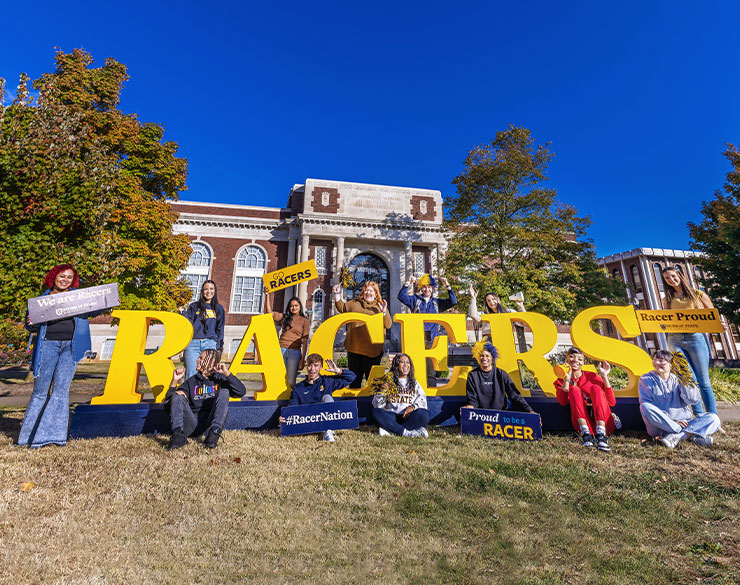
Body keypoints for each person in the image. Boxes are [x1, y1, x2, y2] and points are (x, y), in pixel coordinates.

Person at [18, 264, 105, 448]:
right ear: (53, 277)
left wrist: (109, 299)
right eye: (62, 276)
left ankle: (53, 437)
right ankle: (28, 437)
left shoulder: (78, 298)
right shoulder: (40, 301)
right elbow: (31, 327)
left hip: (71, 348)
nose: (65, 280)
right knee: (40, 393)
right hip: (47, 346)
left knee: (60, 392)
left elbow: (94, 307)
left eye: (69, 277)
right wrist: (31, 322)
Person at [661, 267, 717, 415]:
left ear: (679, 275)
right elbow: (666, 320)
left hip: (695, 339)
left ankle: (713, 418)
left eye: (673, 276)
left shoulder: (698, 295)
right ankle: (698, 415)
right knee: (687, 379)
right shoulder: (667, 299)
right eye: (667, 278)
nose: (671, 280)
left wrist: (720, 324)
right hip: (675, 339)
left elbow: (712, 316)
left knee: (704, 382)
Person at [164, 349, 246, 450]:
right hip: (191, 424)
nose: (197, 360)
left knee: (224, 392)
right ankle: (178, 436)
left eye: (201, 358)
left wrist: (227, 373)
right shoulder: (191, 382)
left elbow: (241, 392)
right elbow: (167, 407)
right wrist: (174, 381)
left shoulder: (220, 379)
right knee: (177, 396)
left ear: (211, 361)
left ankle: (214, 434)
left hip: (209, 425)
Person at [639, 349, 721, 448]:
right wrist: (673, 422)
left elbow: (693, 400)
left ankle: (679, 437)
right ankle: (691, 435)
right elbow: (648, 404)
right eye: (655, 359)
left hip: (685, 423)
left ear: (671, 364)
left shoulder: (679, 379)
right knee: (645, 407)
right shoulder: (645, 379)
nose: (656, 362)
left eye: (661, 360)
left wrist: (684, 380)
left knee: (714, 418)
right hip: (660, 426)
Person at [398, 274, 458, 387]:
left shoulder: (437, 302)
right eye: (424, 287)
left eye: (429, 287)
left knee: (430, 371)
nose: (427, 289)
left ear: (433, 288)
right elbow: (401, 297)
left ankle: (431, 394)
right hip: (417, 339)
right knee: (415, 369)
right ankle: (414, 392)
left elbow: (453, 301)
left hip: (432, 340)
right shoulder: (415, 300)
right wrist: (408, 283)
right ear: (421, 287)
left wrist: (447, 286)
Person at [280, 353, 356, 441]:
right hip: (308, 422)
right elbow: (292, 408)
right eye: (310, 365)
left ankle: (328, 432)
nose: (312, 369)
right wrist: (284, 417)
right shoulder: (298, 388)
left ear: (320, 367)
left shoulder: (327, 381)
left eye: (316, 366)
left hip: (325, 420)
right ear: (306, 366)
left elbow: (352, 377)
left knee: (327, 397)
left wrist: (338, 370)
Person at [554, 347, 616, 452]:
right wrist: (566, 381)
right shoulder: (561, 380)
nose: (575, 361)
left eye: (579, 359)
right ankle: (586, 434)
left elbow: (611, 402)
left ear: (583, 363)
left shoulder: (592, 376)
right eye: (572, 357)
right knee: (574, 389)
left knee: (596, 388)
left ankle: (601, 435)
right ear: (567, 360)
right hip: (582, 423)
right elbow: (563, 402)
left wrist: (604, 376)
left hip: (603, 422)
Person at [333, 280, 392, 388]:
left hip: (373, 350)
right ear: (363, 292)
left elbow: (388, 325)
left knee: (373, 383)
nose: (368, 292)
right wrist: (337, 294)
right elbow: (342, 307)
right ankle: (355, 403)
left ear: (376, 294)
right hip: (354, 348)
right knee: (354, 381)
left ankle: (373, 403)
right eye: (366, 290)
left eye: (372, 291)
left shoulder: (379, 307)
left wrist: (384, 312)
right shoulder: (355, 304)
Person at [462, 341, 536, 414]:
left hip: (501, 414)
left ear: (492, 358)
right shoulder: (472, 375)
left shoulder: (501, 374)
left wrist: (529, 410)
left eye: (487, 356)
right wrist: (470, 406)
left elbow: (514, 395)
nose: (484, 358)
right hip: (481, 415)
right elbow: (472, 398)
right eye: (481, 355)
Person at [371, 353, 430, 438]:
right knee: (376, 412)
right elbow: (377, 405)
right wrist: (382, 391)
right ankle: (407, 432)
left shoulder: (414, 383)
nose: (406, 365)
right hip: (391, 416)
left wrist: (413, 407)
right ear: (396, 365)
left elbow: (422, 401)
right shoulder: (389, 380)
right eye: (402, 362)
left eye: (408, 362)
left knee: (425, 414)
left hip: (408, 417)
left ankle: (392, 431)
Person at [264, 287, 309, 388]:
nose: (294, 308)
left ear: (300, 307)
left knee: (291, 381)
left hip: (295, 352)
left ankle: (290, 402)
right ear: (289, 307)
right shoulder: (284, 317)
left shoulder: (304, 321)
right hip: (281, 349)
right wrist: (267, 295)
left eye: (296, 306)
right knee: (277, 377)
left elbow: (305, 341)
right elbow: (269, 313)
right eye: (292, 306)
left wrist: (303, 359)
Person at [182, 280, 225, 379]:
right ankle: (190, 394)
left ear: (215, 291)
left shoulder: (219, 309)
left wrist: (219, 348)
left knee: (208, 374)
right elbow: (188, 323)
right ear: (202, 291)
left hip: (210, 344)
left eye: (211, 289)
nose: (208, 291)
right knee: (191, 374)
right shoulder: (194, 306)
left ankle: (207, 394)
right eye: (206, 289)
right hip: (193, 344)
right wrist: (182, 312)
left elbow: (220, 329)